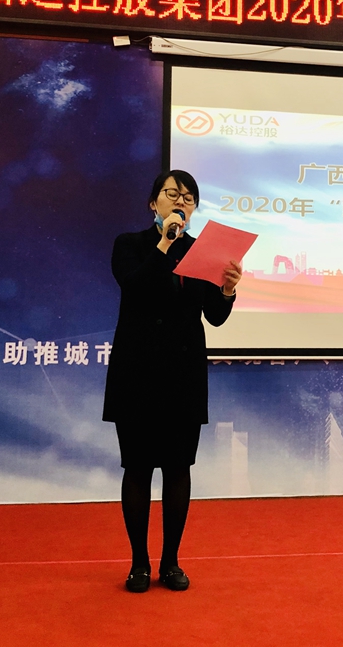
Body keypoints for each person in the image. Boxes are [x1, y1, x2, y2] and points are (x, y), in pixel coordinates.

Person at [102, 169, 243, 593]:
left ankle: (171, 563)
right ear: (154, 203)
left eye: (188, 197)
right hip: (137, 372)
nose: (181, 201)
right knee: (138, 468)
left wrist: (227, 290)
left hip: (183, 375)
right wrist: (165, 242)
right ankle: (139, 564)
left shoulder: (203, 252)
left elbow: (214, 317)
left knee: (179, 468)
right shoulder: (129, 244)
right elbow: (135, 286)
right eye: (172, 194)